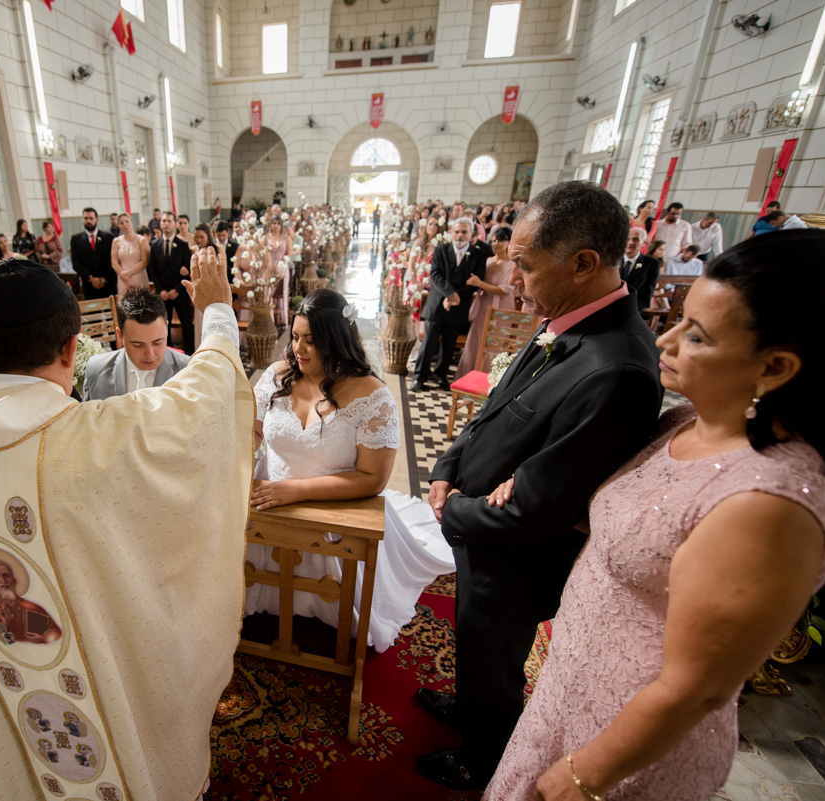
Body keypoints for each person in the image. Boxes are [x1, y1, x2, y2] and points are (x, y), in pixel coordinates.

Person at [485, 230, 825, 800]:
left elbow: (697, 688)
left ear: (775, 367)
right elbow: (641, 522)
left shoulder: (768, 504)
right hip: (571, 685)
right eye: (678, 319)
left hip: (630, 738)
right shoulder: (683, 421)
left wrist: (587, 776)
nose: (666, 341)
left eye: (697, 335)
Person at [0, 251, 252, 801]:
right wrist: (217, 311)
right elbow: (205, 398)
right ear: (70, 350)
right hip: (95, 685)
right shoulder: (98, 441)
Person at [415, 182, 663, 791]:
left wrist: (454, 512)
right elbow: (496, 411)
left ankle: (485, 752)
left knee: (497, 653)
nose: (513, 278)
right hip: (482, 525)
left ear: (583, 264)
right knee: (475, 640)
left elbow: (539, 509)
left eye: (525, 264)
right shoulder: (562, 319)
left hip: (519, 557)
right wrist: (449, 466)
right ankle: (472, 707)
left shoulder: (617, 369)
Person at [247, 288, 455, 649]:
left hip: (335, 506)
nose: (298, 349)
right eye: (295, 337)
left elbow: (372, 479)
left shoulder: (371, 395)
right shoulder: (279, 374)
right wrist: (245, 454)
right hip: (268, 498)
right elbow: (254, 428)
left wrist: (295, 490)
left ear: (337, 340)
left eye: (311, 340)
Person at [409, 217, 486, 391]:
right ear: (451, 233)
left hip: (459, 305)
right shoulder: (441, 250)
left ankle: (440, 375)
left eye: (464, 232)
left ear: (471, 234)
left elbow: (476, 279)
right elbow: (435, 275)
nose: (460, 235)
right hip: (437, 303)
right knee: (429, 341)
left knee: (449, 343)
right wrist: (449, 294)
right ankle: (419, 376)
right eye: (456, 231)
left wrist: (456, 297)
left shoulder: (478, 255)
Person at [82, 287, 190, 400]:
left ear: (167, 329)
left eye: (158, 342)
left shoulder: (189, 370)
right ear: (120, 335)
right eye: (137, 345)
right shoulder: (95, 370)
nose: (150, 355)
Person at [456, 226, 517, 376]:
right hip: (484, 304)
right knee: (477, 339)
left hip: (502, 306)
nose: (496, 243)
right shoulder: (488, 260)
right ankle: (470, 375)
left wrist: (479, 284)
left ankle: (490, 378)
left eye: (500, 240)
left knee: (495, 342)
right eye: (494, 240)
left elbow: (505, 289)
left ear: (509, 242)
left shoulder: (512, 264)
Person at [149, 212, 194, 353]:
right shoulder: (155, 245)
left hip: (179, 292)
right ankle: (167, 351)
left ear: (174, 224)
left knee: (186, 323)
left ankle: (190, 352)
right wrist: (160, 289)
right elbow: (152, 270)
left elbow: (188, 270)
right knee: (163, 325)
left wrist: (177, 290)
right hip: (162, 293)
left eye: (169, 221)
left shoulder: (182, 245)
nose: (166, 223)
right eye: (163, 221)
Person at [70, 207, 116, 299]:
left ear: (97, 219)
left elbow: (113, 261)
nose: (88, 221)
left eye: (91, 218)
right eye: (86, 218)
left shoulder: (108, 237)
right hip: (89, 286)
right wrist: (90, 278)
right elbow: (75, 263)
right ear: (82, 220)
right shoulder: (76, 239)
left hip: (107, 284)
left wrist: (103, 278)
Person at [621, 226, 662, 310]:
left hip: (634, 309)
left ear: (643, 243)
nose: (630, 242)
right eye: (628, 239)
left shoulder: (652, 264)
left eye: (636, 239)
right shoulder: (613, 260)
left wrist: (632, 311)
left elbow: (647, 294)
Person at [110, 212, 151, 296]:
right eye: (121, 223)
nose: (125, 224)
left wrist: (127, 273)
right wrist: (125, 278)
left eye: (127, 221)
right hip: (123, 279)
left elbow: (144, 261)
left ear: (131, 222)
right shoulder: (116, 241)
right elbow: (114, 263)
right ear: (118, 226)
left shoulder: (142, 240)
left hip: (139, 276)